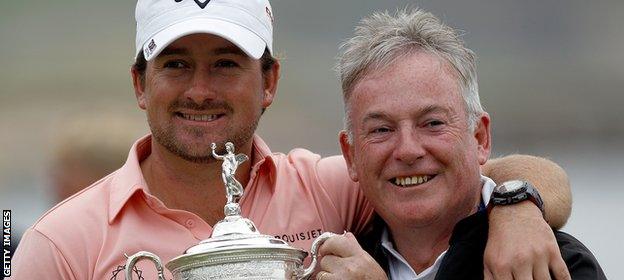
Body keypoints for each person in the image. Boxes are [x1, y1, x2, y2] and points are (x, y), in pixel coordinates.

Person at [12, 1, 572, 279]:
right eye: (176, 64)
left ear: (270, 81)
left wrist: (517, 205)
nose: (200, 90)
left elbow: (476, 174)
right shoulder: (59, 246)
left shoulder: (333, 185)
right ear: (141, 83)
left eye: (227, 64)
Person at [316, 8, 605, 280]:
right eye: (382, 129)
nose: (407, 150)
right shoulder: (335, 268)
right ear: (350, 155)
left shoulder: (551, 265)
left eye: (432, 123)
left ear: (480, 138)